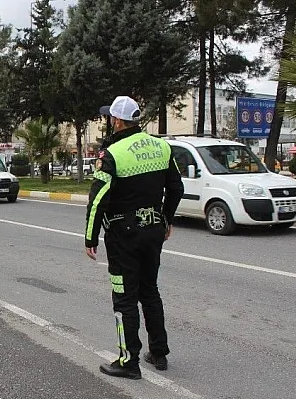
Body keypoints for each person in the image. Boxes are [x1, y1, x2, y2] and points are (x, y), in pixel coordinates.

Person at [84, 96, 184, 380]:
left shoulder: (113, 154)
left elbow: (98, 198)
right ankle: (159, 352)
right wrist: (166, 219)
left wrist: (91, 237)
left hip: (122, 234)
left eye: (110, 119)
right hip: (153, 229)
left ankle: (128, 362)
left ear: (117, 121)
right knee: (149, 290)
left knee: (124, 298)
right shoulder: (162, 146)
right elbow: (176, 188)